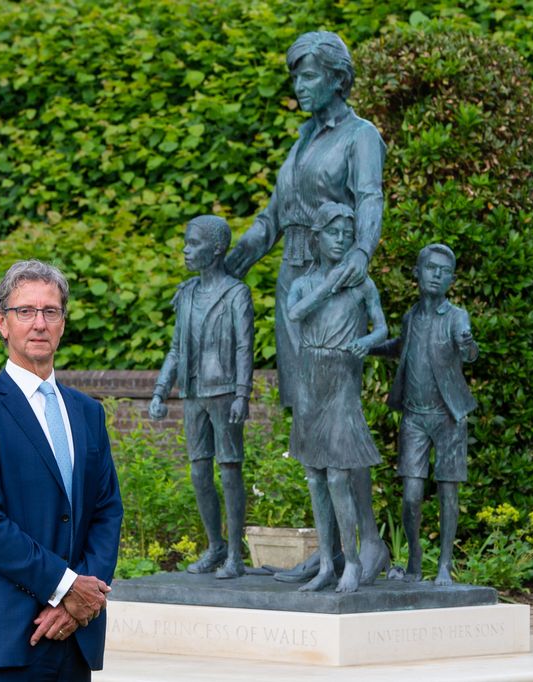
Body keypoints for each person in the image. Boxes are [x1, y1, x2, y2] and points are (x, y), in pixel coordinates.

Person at [223, 30, 390, 586]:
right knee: (308, 419)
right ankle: (333, 549)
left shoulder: (361, 136)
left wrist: (362, 253)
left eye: (309, 74)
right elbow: (273, 216)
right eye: (295, 75)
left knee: (340, 419)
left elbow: (370, 199)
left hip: (335, 285)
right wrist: (240, 255)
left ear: (338, 78)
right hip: (293, 283)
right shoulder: (300, 142)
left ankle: (370, 546)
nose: (299, 85)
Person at [0, 260, 124, 681]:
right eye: (25, 311)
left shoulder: (87, 412)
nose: (39, 323)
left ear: (62, 323)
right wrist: (65, 587)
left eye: (51, 311)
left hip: (75, 636)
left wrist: (83, 601)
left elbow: (106, 511)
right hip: (10, 639)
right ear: (2, 323)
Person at [287, 202, 388, 593]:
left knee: (339, 475)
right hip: (310, 377)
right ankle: (327, 563)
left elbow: (381, 327)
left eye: (348, 235)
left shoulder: (362, 284)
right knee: (314, 476)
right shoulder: (304, 283)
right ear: (317, 237)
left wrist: (365, 340)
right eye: (334, 233)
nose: (341, 239)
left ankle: (353, 559)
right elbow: (295, 314)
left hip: (342, 377)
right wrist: (330, 284)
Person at [149, 215, 254, 579]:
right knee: (198, 473)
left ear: (217, 248)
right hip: (193, 392)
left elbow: (245, 347)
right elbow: (176, 350)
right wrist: (162, 390)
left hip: (224, 392)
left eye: (193, 244)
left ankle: (236, 555)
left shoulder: (236, 293)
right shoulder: (188, 294)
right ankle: (215, 546)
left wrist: (243, 393)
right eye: (186, 243)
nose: (185, 250)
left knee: (229, 471)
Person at [375, 244, 479, 586]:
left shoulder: (456, 316)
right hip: (414, 418)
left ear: (451, 279)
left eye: (444, 271)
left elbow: (468, 347)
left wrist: (467, 344)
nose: (437, 275)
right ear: (417, 273)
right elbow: (399, 348)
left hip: (449, 417)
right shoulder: (410, 317)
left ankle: (445, 565)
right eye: (431, 268)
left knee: (449, 492)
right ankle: (416, 558)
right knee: (411, 494)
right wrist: (365, 346)